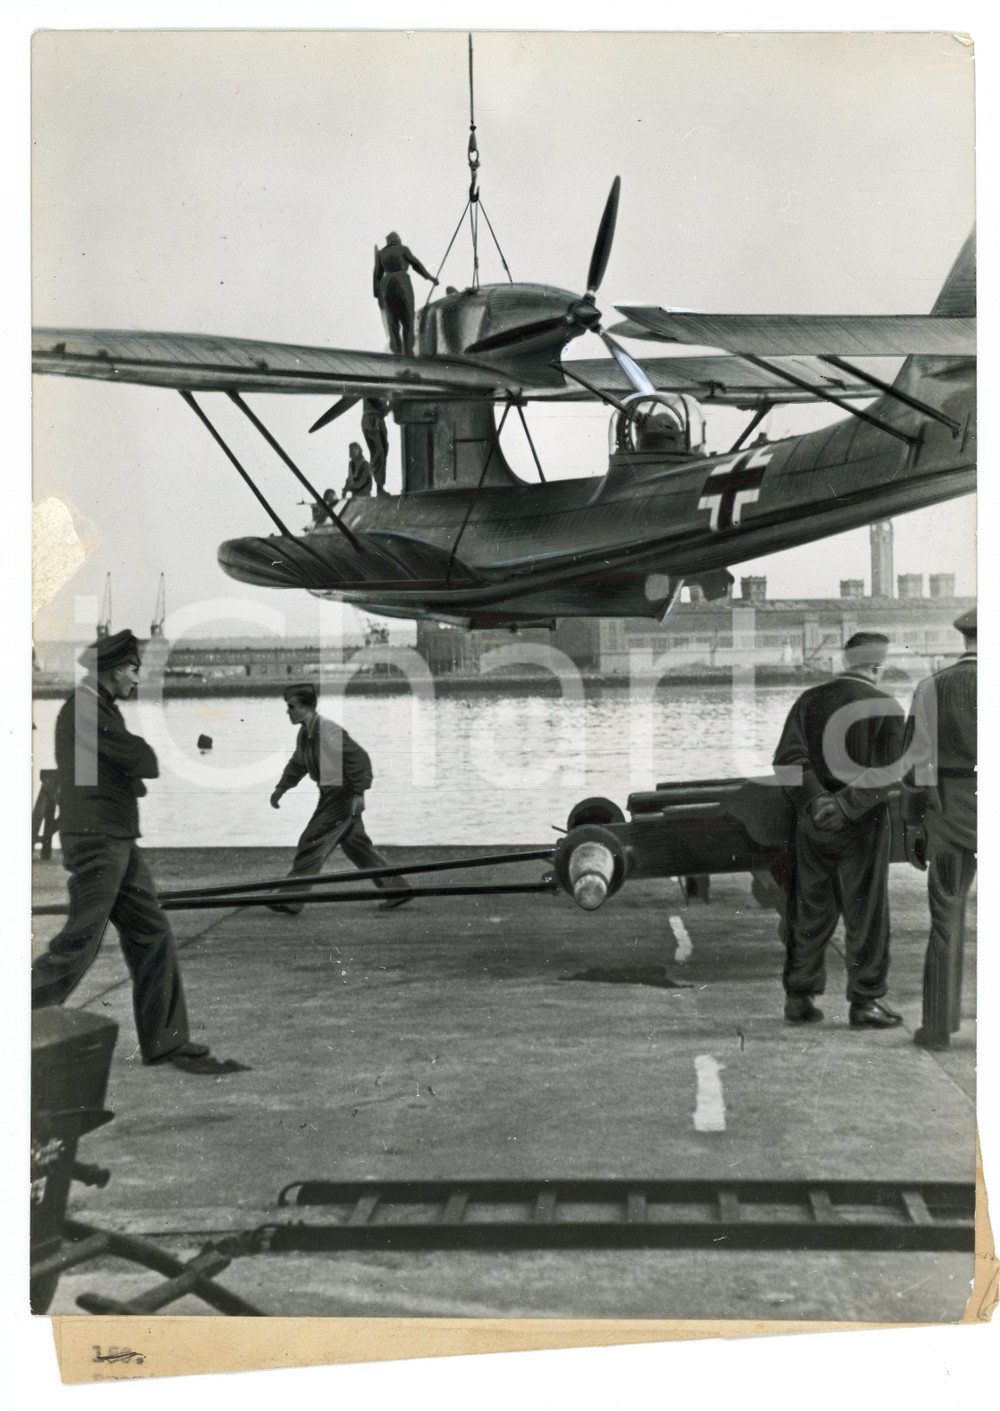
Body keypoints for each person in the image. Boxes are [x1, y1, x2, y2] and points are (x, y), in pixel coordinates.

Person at [31, 630, 239, 1074]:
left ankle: (166, 1041)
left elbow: (124, 762)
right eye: (132, 669)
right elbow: (142, 759)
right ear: (112, 669)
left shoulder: (96, 706)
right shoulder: (88, 707)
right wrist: (138, 759)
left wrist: (131, 764)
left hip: (114, 836)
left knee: (152, 933)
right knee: (80, 940)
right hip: (98, 839)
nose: (136, 678)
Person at [773, 632, 906, 1029]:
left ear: (846, 660)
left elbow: (787, 759)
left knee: (809, 906)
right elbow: (889, 772)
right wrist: (846, 806)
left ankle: (799, 998)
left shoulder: (808, 701)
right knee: (866, 911)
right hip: (863, 823)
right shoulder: (888, 707)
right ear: (878, 666)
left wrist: (817, 803)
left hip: (812, 822)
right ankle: (865, 1002)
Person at [902, 607, 977, 1050]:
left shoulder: (929, 687)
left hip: (947, 811)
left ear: (963, 638)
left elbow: (914, 764)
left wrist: (914, 824)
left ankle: (936, 1028)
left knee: (945, 917)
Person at [268, 684, 413, 913]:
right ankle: (396, 889)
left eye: (291, 706)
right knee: (357, 846)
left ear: (305, 707)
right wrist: (281, 788)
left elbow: (360, 760)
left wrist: (359, 795)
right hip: (331, 794)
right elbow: (298, 763)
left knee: (312, 841)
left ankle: (291, 898)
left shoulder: (327, 730)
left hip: (343, 795)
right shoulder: (306, 732)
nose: (288, 712)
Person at [373, 231, 439, 356]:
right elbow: (416, 264)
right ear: (397, 240)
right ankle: (408, 351)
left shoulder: (381, 253)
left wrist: (377, 292)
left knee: (393, 321)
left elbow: (377, 274)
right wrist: (430, 277)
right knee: (408, 318)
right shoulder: (403, 249)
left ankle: (397, 351)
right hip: (402, 282)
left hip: (387, 285)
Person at [361, 398, 390, 495]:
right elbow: (373, 400)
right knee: (378, 452)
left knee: (384, 450)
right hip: (371, 419)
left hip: (378, 418)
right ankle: (379, 487)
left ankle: (380, 486)